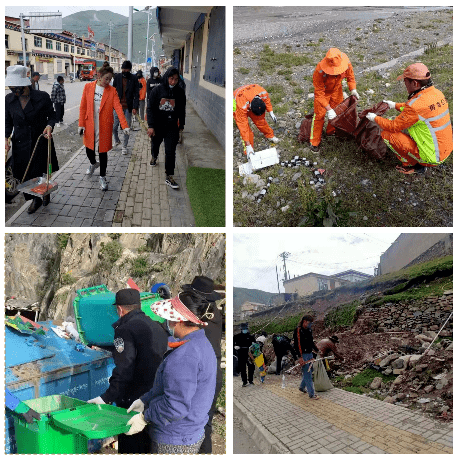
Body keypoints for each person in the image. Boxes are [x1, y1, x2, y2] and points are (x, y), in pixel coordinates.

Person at [126, 292, 217, 454]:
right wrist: (145, 400)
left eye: (169, 317)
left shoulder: (185, 355)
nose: (167, 321)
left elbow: (175, 407)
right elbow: (170, 388)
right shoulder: (201, 342)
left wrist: (144, 417)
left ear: (179, 320)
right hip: (191, 430)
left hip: (175, 439)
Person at [87, 288, 169, 454]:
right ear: (138, 305)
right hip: (155, 396)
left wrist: (107, 397)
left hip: (133, 400)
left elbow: (125, 368)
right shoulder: (156, 326)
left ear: (119, 309)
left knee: (131, 445)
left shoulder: (124, 330)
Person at [365, 62, 453, 175]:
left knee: (387, 134)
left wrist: (375, 118)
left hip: (432, 157)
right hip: (445, 150)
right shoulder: (437, 93)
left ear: (415, 83)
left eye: (405, 81)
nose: (404, 84)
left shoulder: (415, 106)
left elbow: (393, 126)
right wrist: (394, 105)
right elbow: (416, 110)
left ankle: (411, 164)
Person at [5, 65, 58, 214]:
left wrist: (49, 125)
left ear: (24, 85)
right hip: (20, 143)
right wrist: (5, 138)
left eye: (16, 88)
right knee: (23, 174)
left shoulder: (42, 97)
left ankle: (43, 195)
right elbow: (8, 123)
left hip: (39, 140)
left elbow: (52, 116)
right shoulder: (8, 100)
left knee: (41, 172)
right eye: (11, 88)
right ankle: (34, 198)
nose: (14, 91)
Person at [181, 276, 222, 454]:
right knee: (205, 423)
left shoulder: (197, 319)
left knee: (195, 424)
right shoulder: (215, 313)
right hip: (214, 374)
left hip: (200, 376)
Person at [78, 62, 129, 191]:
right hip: (90, 124)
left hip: (105, 125)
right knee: (89, 149)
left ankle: (102, 177)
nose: (108, 81)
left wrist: (124, 125)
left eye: (110, 79)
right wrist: (81, 124)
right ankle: (93, 164)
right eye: (107, 78)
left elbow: (118, 107)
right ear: (99, 76)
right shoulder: (88, 87)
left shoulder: (112, 91)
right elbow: (83, 106)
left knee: (103, 152)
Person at [310, 48, 360, 153]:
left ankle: (331, 131)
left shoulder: (346, 63)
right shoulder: (319, 70)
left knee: (337, 112)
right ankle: (314, 143)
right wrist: (328, 108)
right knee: (319, 116)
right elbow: (318, 93)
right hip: (324, 94)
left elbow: (350, 77)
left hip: (337, 90)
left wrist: (353, 89)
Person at [147, 66, 186, 189]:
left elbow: (181, 110)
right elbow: (150, 108)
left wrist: (181, 125)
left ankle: (169, 175)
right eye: (171, 79)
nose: (173, 82)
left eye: (175, 79)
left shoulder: (180, 92)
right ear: (167, 77)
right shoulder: (157, 91)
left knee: (170, 152)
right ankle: (154, 156)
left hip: (171, 126)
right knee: (155, 144)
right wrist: (151, 126)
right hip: (158, 125)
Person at [233, 84, 279, 156]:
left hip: (248, 100)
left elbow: (267, 101)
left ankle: (270, 135)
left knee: (261, 121)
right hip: (239, 104)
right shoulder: (241, 105)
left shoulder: (262, 92)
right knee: (246, 130)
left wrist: (271, 112)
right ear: (250, 108)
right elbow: (243, 126)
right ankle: (249, 149)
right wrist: (248, 145)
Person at [112, 60, 139, 155]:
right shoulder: (117, 77)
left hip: (128, 107)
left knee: (126, 128)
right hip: (117, 107)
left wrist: (135, 107)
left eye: (126, 70)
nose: (124, 71)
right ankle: (117, 140)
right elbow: (113, 92)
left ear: (129, 70)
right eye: (123, 69)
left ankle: (124, 146)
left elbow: (136, 94)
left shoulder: (134, 78)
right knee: (114, 127)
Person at [293, 315, 320, 399]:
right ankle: (311, 394)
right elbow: (297, 345)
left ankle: (301, 387)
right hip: (303, 355)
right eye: (309, 323)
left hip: (310, 354)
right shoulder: (298, 330)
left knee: (310, 370)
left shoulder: (309, 330)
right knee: (308, 374)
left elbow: (311, 342)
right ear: (304, 321)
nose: (310, 325)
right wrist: (300, 357)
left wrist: (317, 350)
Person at [233, 322, 256, 387]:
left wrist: (254, 346)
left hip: (250, 355)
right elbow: (232, 344)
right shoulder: (237, 337)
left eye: (245, 328)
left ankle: (251, 381)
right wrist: (235, 348)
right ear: (241, 329)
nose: (244, 330)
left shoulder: (251, 337)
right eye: (243, 328)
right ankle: (244, 382)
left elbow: (255, 345)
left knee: (251, 368)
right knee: (242, 368)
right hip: (241, 354)